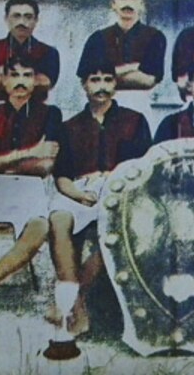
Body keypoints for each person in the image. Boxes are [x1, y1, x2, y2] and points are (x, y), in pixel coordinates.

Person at [48, 60, 152, 335]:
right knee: (59, 219)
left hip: (122, 189)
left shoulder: (135, 121)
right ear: (84, 85)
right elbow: (62, 177)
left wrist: (117, 190)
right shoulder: (69, 126)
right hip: (80, 189)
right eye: (95, 80)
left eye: (108, 79)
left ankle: (74, 298)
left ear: (116, 85)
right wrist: (80, 196)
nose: (102, 86)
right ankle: (76, 302)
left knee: (119, 229)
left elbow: (144, 168)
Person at [0, 55, 63, 326]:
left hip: (26, 188)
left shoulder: (50, 114)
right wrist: (28, 153)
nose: (20, 81)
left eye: (27, 75)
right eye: (14, 75)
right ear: (4, 81)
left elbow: (45, 165)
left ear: (35, 82)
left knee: (40, 227)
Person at [76, 0, 166, 119]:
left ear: (141, 4)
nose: (127, 3)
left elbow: (149, 80)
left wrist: (106, 76)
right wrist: (132, 68)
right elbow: (86, 77)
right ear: (113, 4)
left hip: (138, 104)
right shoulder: (98, 38)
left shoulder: (154, 37)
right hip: (100, 105)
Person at [0, 0, 60, 101]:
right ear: (6, 19)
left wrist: (0, 74)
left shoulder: (49, 52)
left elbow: (46, 83)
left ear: (36, 20)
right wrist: (30, 77)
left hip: (35, 112)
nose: (22, 22)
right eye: (16, 16)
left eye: (28, 16)